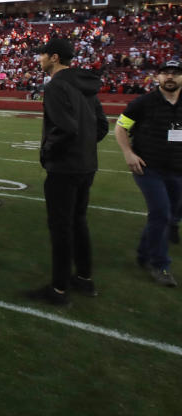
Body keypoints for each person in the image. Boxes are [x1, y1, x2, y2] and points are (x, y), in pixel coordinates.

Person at [28, 38, 108, 305]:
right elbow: (101, 126)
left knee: (61, 227)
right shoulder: (85, 85)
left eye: (42, 55)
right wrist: (84, 146)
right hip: (86, 164)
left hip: (64, 166)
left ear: (54, 57)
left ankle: (59, 289)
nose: (38, 60)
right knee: (78, 221)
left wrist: (48, 151)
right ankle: (84, 279)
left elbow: (65, 128)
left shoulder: (57, 86)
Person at [115, 57, 182, 287]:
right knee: (161, 213)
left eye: (175, 72)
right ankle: (160, 264)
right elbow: (121, 126)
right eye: (166, 72)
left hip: (177, 169)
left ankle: (144, 254)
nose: (170, 76)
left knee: (167, 215)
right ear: (158, 76)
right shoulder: (143, 102)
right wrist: (128, 153)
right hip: (148, 167)